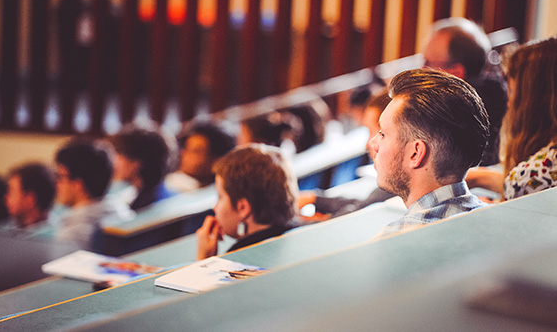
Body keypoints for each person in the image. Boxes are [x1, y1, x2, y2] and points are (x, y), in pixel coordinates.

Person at [369, 68, 490, 239]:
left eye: (382, 134)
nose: (373, 143)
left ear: (416, 153)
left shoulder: (396, 239)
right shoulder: (494, 219)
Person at [467, 36, 557, 200]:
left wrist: (489, 210)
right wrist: (478, 177)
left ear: (533, 101)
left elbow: (523, 181)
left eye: (513, 93)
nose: (509, 104)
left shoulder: (533, 173)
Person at [298, 89, 394, 220]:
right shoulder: (390, 191)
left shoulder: (393, 186)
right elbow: (363, 204)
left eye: (374, 132)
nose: (368, 144)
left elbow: (358, 211)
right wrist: (315, 199)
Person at [422, 17, 507, 165]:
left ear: (456, 72)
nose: (421, 69)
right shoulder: (496, 91)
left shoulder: (457, 115)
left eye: (428, 63)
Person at [195, 144, 298, 260]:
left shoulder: (235, 263)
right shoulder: (303, 234)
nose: (215, 207)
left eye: (220, 197)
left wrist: (203, 260)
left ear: (243, 208)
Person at [54, 139, 135, 249]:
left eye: (60, 177)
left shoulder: (71, 237)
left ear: (79, 184)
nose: (57, 184)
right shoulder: (122, 212)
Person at [110, 124, 177, 210]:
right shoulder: (135, 195)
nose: (114, 162)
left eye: (118, 154)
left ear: (136, 164)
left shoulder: (148, 207)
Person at [165, 121, 236, 193]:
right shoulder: (171, 184)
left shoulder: (222, 192)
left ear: (215, 161)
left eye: (195, 151)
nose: (184, 154)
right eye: (186, 148)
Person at [3, 162, 56, 233]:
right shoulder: (5, 228)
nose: (6, 197)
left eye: (11, 191)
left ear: (30, 199)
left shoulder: (52, 238)